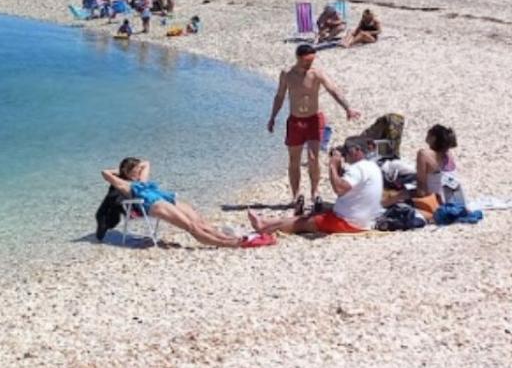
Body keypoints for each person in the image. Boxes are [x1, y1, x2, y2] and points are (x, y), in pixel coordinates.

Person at [267, 43, 362, 214]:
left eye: (312, 60)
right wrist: (272, 117)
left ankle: (315, 192)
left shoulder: (316, 73)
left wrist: (348, 108)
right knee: (294, 160)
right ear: (298, 58)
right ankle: (296, 195)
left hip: (313, 120)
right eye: (306, 61)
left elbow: (333, 89)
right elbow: (280, 96)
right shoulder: (287, 75)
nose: (309, 64)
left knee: (313, 157)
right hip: (295, 121)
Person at [102, 158, 273, 248]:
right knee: (191, 226)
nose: (139, 172)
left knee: (199, 220)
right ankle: (229, 243)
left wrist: (136, 169)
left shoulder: (142, 179)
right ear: (128, 172)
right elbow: (104, 172)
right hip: (153, 205)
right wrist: (122, 172)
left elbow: (146, 162)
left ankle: (228, 237)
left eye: (139, 170)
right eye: (135, 170)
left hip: (164, 198)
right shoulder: (125, 184)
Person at [248, 141, 383, 235]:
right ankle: (268, 221)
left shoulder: (358, 169)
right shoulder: (370, 166)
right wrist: (338, 167)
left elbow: (339, 189)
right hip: (363, 220)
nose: (345, 156)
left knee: (303, 222)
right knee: (316, 212)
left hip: (349, 223)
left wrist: (332, 166)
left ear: (357, 151)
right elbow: (349, 185)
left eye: (347, 152)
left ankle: (264, 226)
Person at [416, 124, 463, 204]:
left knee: (400, 195)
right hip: (458, 197)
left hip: (439, 200)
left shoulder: (424, 154)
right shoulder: (448, 153)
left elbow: (422, 188)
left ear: (433, 138)